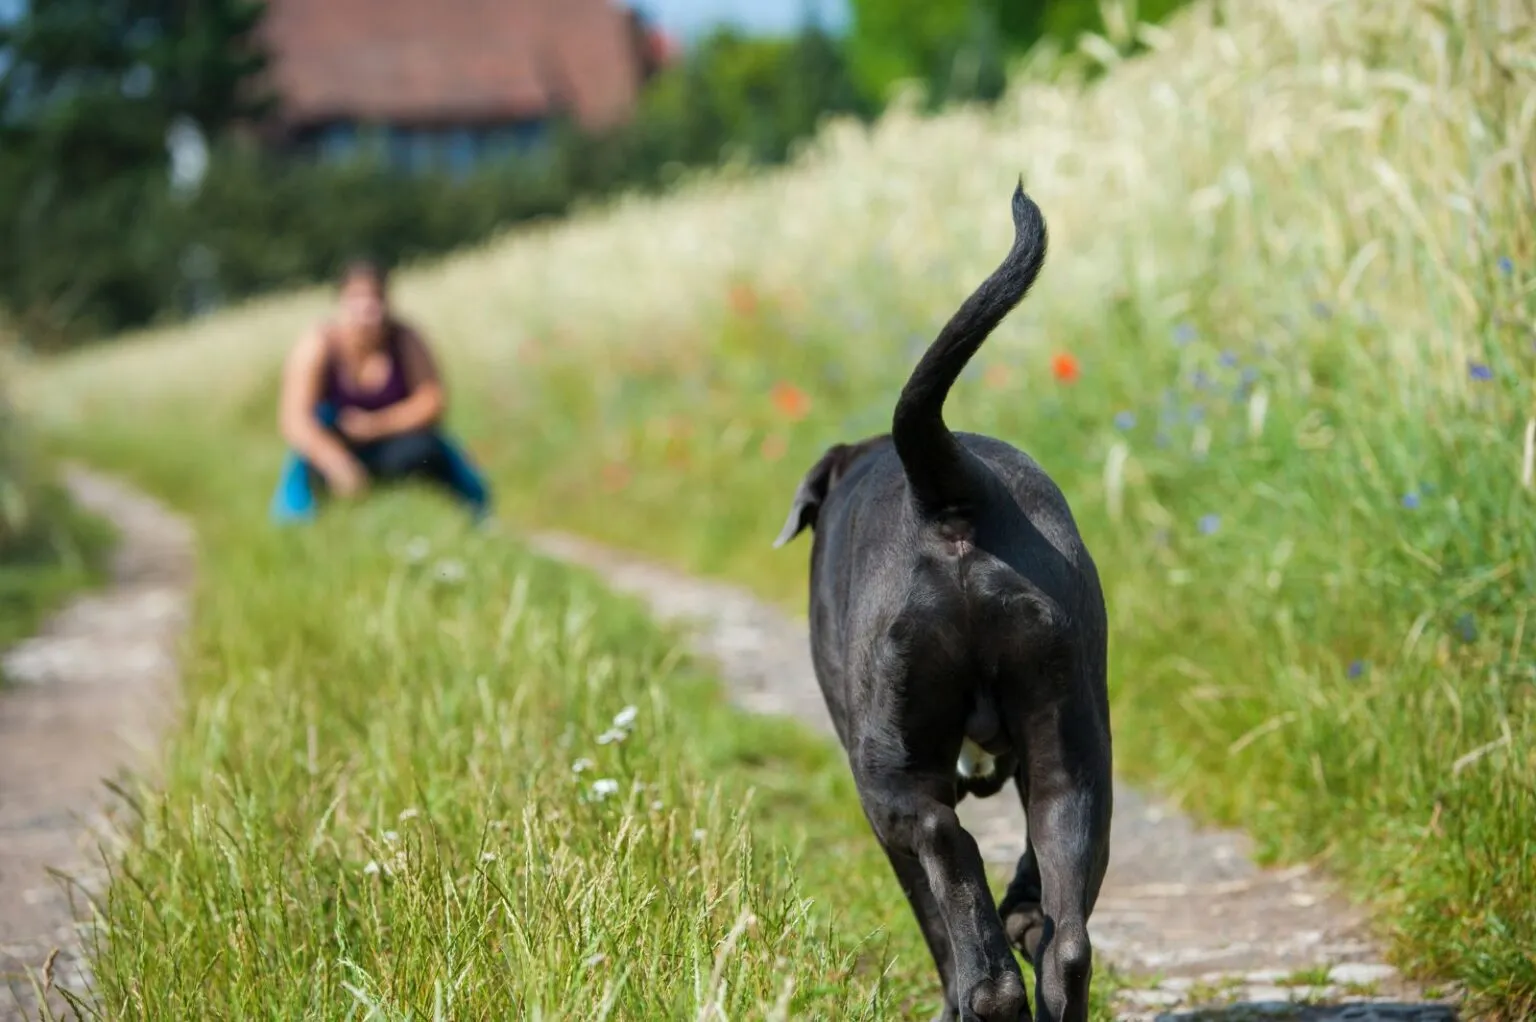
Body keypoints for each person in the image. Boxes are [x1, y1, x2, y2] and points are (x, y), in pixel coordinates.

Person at [269, 259, 491, 523]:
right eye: (356, 300)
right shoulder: (317, 345)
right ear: (340, 302)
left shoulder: (405, 338)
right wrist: (335, 462)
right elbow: (295, 421)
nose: (366, 310)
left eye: (374, 300)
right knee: (313, 470)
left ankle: (462, 519)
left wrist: (375, 425)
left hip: (394, 443)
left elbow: (432, 401)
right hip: (334, 446)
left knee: (427, 451)